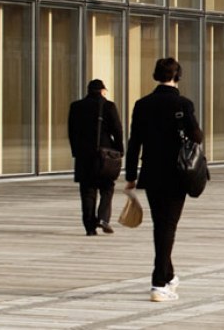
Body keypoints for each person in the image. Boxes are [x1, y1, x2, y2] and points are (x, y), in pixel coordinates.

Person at [125, 58, 203, 303]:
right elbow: (197, 136)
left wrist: (130, 176)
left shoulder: (142, 104)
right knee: (167, 227)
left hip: (151, 173)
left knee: (162, 224)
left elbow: (134, 142)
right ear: (177, 76)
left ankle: (168, 275)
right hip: (176, 175)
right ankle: (159, 284)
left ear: (155, 75)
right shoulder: (183, 104)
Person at [68, 79, 124, 236]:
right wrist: (120, 150)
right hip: (104, 155)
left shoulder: (76, 106)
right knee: (107, 186)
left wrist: (75, 151)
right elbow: (117, 130)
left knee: (87, 190)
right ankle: (103, 217)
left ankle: (89, 227)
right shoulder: (108, 106)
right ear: (102, 91)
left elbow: (71, 132)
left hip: (83, 155)